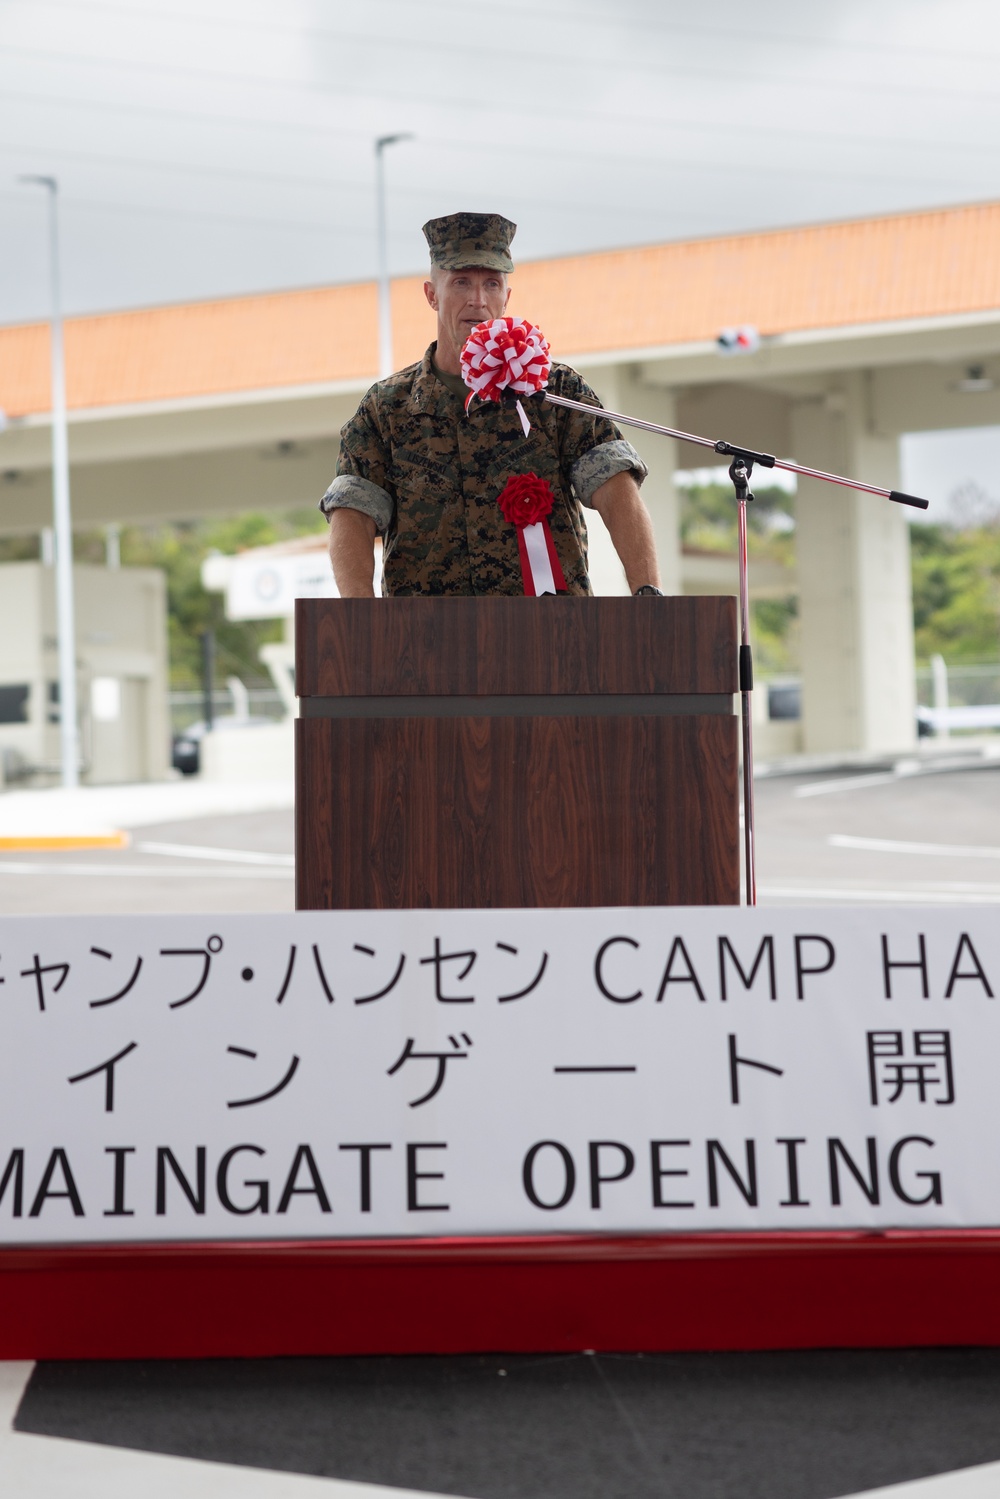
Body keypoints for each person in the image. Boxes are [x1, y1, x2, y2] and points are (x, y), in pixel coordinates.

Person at [320, 211, 663, 598]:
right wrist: (360, 622)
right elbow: (353, 513)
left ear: (507, 297)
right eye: (461, 283)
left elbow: (616, 490)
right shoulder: (387, 409)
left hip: (549, 636)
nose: (477, 301)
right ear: (432, 294)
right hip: (426, 643)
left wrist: (647, 594)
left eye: (492, 284)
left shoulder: (553, 390)